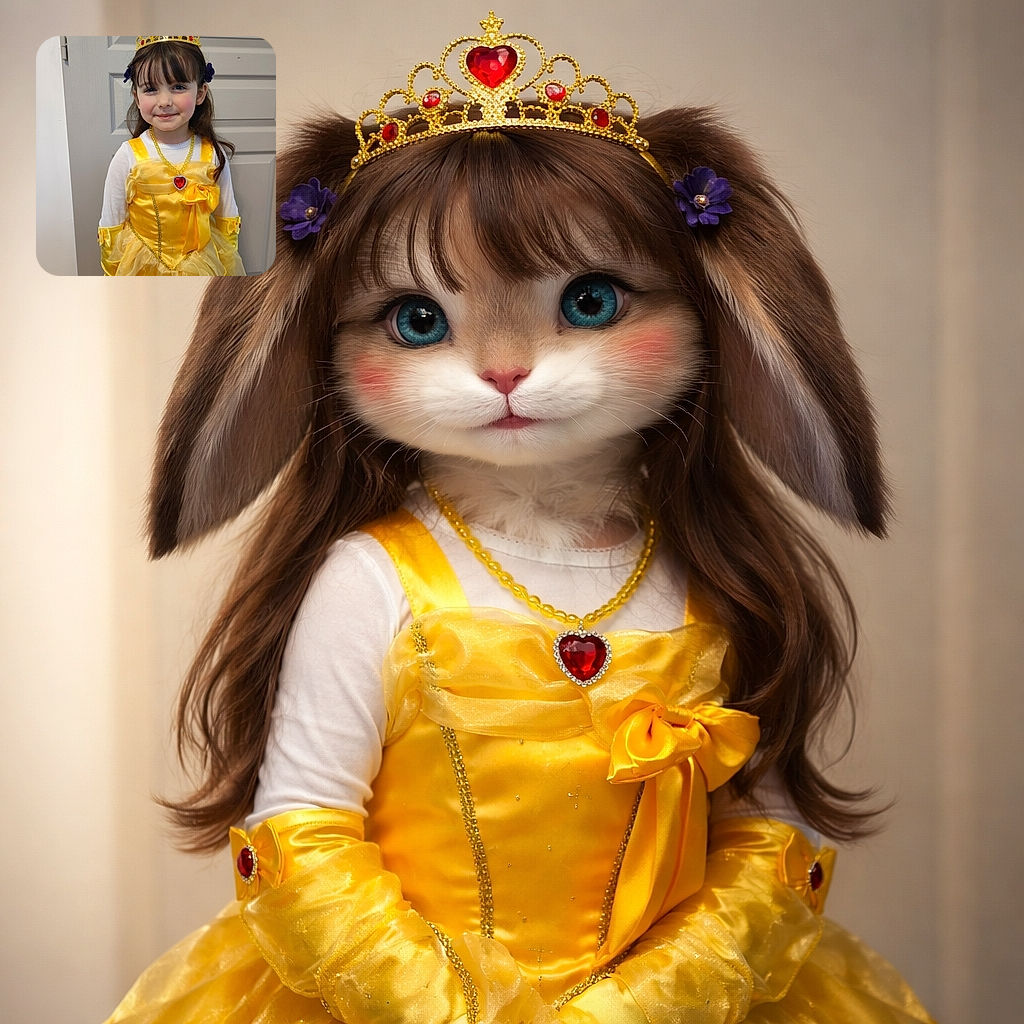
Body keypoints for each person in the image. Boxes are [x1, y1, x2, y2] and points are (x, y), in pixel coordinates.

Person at [105, 14, 935, 1023]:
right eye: (421, 319)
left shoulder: (717, 577)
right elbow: (304, 835)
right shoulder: (374, 581)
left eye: (588, 300)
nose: (505, 368)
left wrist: (636, 1009)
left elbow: (767, 841)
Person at [98, 35, 244, 276]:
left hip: (203, 265)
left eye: (178, 87)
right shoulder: (128, 156)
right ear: (137, 96)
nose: (164, 101)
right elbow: (111, 221)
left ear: (200, 93)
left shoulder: (212, 154)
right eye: (151, 89)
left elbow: (227, 217)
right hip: (142, 266)